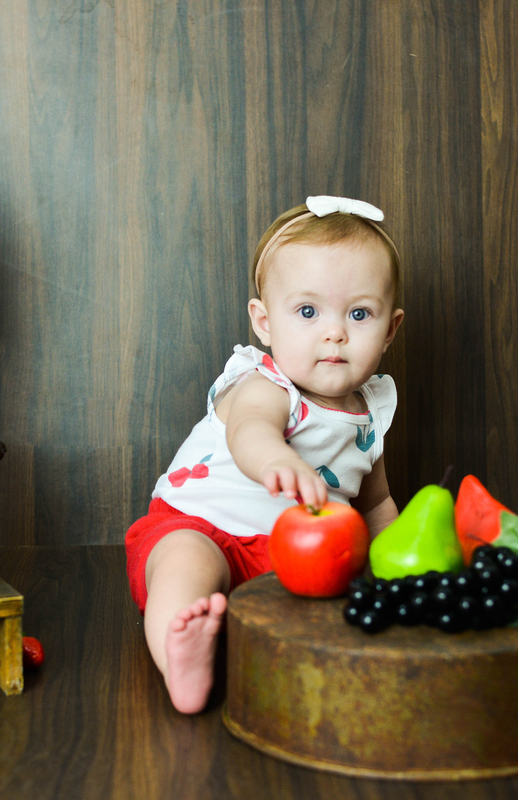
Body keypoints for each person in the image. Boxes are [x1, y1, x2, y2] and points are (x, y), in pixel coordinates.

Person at [125, 196, 405, 713]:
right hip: (202, 524)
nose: (334, 332)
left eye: (360, 313)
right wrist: (279, 462)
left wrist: (412, 572)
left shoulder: (370, 413)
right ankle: (178, 654)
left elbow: (377, 506)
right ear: (264, 321)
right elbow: (251, 431)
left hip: (293, 558)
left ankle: (272, 657)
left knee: (334, 604)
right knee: (181, 568)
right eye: (307, 311)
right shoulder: (265, 383)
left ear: (390, 329)